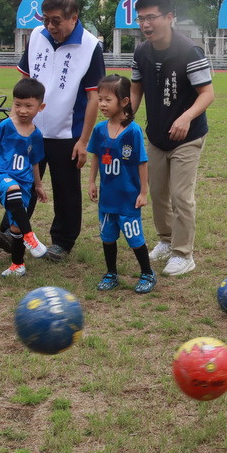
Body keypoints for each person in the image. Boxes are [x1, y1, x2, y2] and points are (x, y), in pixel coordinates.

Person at [130, 0, 215, 277]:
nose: (145, 24)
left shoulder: (189, 51)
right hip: (156, 135)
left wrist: (186, 117)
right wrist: (127, 117)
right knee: (157, 192)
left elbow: (207, 93)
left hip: (187, 137)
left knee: (180, 194)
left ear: (169, 17)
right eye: (141, 18)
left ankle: (183, 253)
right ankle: (165, 240)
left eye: (151, 17)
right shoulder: (141, 52)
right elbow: (136, 87)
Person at [15, 0, 103, 262]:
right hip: (32, 129)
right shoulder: (37, 38)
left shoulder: (90, 47)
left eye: (56, 21)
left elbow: (93, 97)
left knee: (66, 188)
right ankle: (14, 230)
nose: (50, 27)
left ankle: (62, 242)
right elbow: (23, 83)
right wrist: (17, 121)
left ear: (74, 18)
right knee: (22, 182)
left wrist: (83, 141)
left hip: (67, 133)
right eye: (46, 21)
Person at [87, 74, 155, 294]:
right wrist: (91, 182)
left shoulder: (133, 131)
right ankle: (111, 273)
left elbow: (142, 162)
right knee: (107, 237)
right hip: (107, 198)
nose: (102, 105)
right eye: (100, 99)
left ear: (124, 101)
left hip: (128, 198)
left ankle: (147, 273)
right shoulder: (99, 130)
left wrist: (143, 192)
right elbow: (96, 156)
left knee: (135, 238)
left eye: (108, 100)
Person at [0, 78, 49, 277]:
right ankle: (31, 237)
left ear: (40, 107)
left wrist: (38, 185)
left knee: (15, 226)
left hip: (25, 181)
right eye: (17, 104)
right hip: (0, 174)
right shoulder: (4, 126)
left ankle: (17, 265)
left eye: (29, 106)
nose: (22, 110)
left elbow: (35, 161)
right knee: (12, 189)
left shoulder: (37, 134)